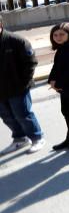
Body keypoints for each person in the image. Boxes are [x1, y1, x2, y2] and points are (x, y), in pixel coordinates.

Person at [0, 16, 44, 154]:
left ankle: (37, 137)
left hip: (17, 86)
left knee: (23, 114)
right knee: (6, 116)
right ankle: (20, 139)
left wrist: (23, 83)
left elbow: (30, 62)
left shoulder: (16, 41)